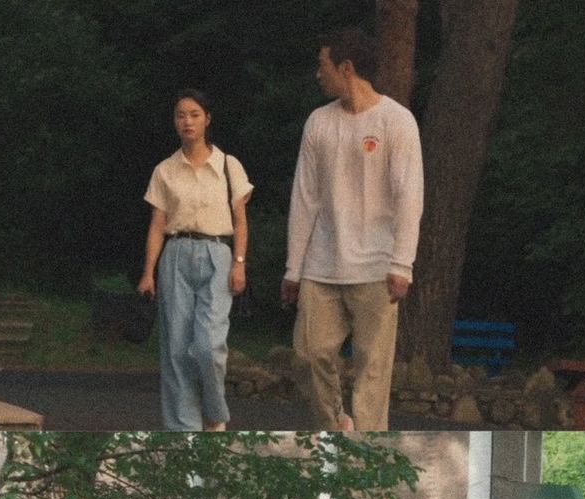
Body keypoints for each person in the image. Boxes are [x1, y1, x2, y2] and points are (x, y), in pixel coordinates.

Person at [281, 29, 424, 432]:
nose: (318, 74)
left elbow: (409, 196)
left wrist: (402, 264)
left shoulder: (396, 121)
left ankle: (365, 454)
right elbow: (304, 198)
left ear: (346, 68)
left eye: (322, 65)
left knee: (372, 375)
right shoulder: (318, 123)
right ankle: (334, 430)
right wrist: (293, 268)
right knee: (309, 355)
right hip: (321, 267)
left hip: (377, 270)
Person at [138, 89, 253, 431]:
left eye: (194, 114)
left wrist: (240, 262)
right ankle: (183, 429)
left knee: (208, 346)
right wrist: (148, 273)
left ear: (207, 119)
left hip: (218, 252)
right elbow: (157, 224)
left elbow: (241, 219)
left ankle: (215, 412)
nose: (187, 121)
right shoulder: (165, 170)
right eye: (180, 115)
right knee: (175, 348)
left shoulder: (228, 166)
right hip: (175, 254)